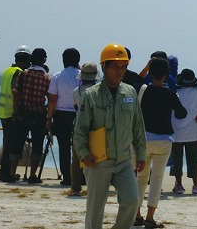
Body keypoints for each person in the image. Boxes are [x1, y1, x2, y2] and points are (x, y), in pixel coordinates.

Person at [73, 43, 146, 229]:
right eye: (115, 67)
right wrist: (83, 153)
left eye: (124, 67)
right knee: (96, 209)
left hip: (123, 160)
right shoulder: (91, 95)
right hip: (98, 161)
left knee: (132, 201)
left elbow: (138, 126)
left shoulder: (129, 92)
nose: (120, 71)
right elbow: (80, 129)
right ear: (104, 67)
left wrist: (141, 154)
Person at [135, 57, 187, 228]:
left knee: (141, 178)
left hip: (144, 139)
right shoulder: (170, 94)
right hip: (164, 140)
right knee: (157, 179)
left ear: (149, 73)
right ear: (166, 75)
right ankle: (150, 217)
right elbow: (181, 113)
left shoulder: (142, 90)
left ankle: (136, 214)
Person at [9, 47, 50, 184]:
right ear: (44, 60)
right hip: (39, 115)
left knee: (17, 144)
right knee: (37, 146)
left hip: (23, 113)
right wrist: (49, 117)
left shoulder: (23, 75)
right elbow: (50, 99)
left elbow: (16, 94)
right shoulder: (47, 78)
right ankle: (33, 175)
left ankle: (12, 173)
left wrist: (15, 112)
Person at [46, 47, 81, 186]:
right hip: (78, 113)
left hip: (61, 115)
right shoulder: (82, 76)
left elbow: (52, 99)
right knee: (79, 147)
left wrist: (49, 117)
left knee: (64, 147)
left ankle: (67, 177)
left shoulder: (57, 76)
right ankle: (80, 176)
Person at [0, 46, 31, 182]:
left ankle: (3, 171)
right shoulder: (18, 72)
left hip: (2, 111)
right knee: (10, 145)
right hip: (12, 112)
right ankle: (5, 173)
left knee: (7, 143)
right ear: (26, 60)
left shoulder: (6, 71)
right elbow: (15, 91)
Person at [69, 62, 99, 196]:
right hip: (96, 127)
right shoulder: (100, 91)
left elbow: (76, 108)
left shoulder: (77, 91)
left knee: (76, 158)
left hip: (79, 125)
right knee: (98, 157)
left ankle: (75, 187)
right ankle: (95, 186)